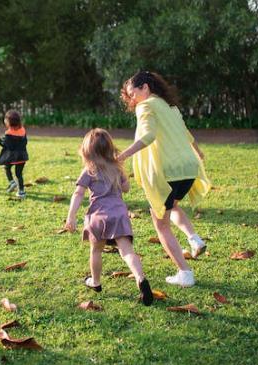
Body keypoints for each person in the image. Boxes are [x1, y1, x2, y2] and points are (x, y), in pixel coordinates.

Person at [118, 71, 211, 288]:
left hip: (167, 172)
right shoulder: (170, 107)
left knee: (161, 224)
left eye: (134, 93)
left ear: (146, 88)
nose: (132, 99)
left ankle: (185, 273)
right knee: (172, 205)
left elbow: (148, 136)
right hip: (188, 169)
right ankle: (194, 239)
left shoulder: (146, 106)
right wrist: (198, 152)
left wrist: (122, 155)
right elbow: (186, 133)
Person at [65, 128, 153, 306]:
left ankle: (95, 282)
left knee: (96, 250)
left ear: (87, 151)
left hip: (98, 216)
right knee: (127, 251)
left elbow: (78, 193)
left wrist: (71, 216)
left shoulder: (89, 170)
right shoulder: (116, 168)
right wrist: (124, 177)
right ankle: (140, 278)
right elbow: (126, 189)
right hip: (119, 214)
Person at [0, 110, 29, 199]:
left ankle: (12, 182)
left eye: (5, 119)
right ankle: (21, 191)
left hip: (12, 157)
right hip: (22, 156)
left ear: (8, 122)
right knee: (19, 174)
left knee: (6, 167)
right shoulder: (23, 130)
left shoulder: (9, 134)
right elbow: (25, 142)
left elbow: (6, 145)